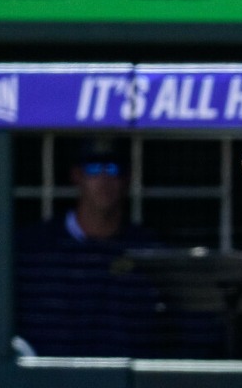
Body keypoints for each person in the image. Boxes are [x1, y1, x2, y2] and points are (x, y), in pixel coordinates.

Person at [13, 139, 165, 357]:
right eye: (93, 169)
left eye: (112, 169)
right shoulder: (35, 247)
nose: (103, 179)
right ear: (77, 176)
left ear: (127, 178)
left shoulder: (147, 250)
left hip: (123, 375)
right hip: (51, 375)